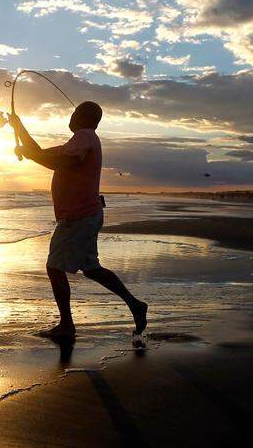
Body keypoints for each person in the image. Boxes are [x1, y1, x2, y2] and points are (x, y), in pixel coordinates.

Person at [8, 102, 148, 339]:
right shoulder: (79, 141)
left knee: (54, 267)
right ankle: (135, 305)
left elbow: (60, 162)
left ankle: (67, 325)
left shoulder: (84, 136)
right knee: (91, 268)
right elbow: (42, 153)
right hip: (86, 214)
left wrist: (31, 154)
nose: (70, 117)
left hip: (78, 216)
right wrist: (19, 126)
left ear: (83, 116)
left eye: (74, 113)